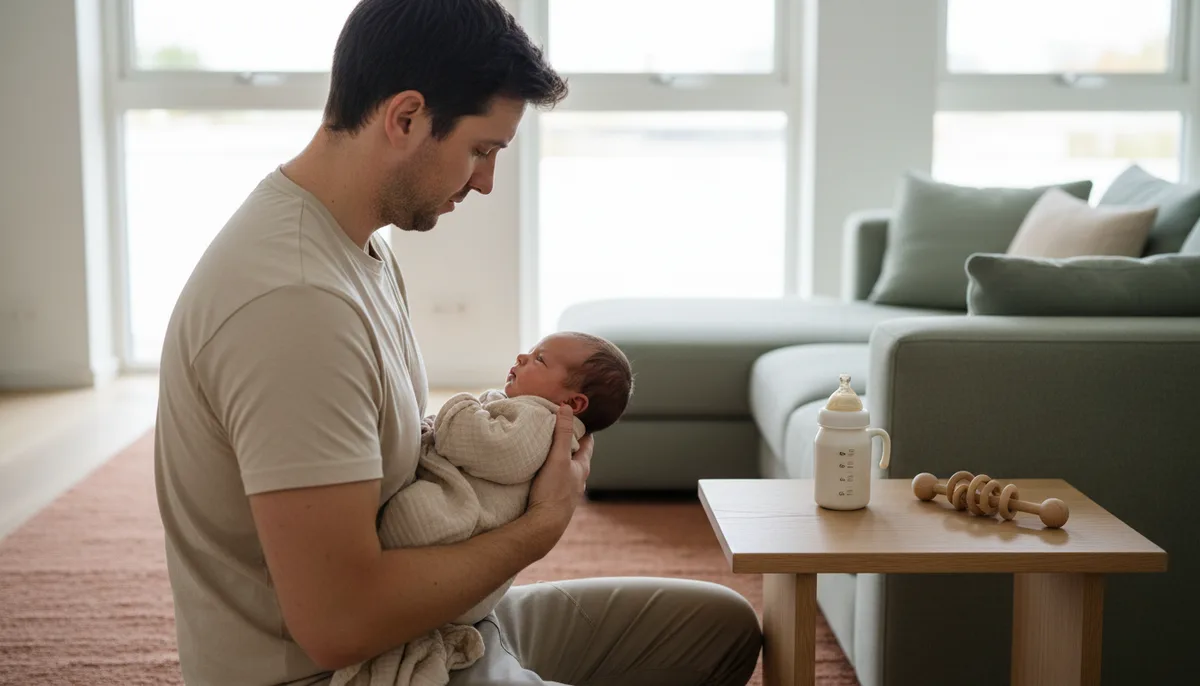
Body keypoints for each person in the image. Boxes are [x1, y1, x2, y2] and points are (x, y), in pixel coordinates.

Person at [153, 0, 762, 684]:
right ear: (406, 118)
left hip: (436, 630)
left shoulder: (360, 249)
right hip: (361, 669)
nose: (486, 182)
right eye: (481, 150)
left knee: (721, 628)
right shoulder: (294, 304)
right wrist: (541, 526)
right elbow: (337, 625)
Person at [332, 332, 633, 685]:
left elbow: (481, 445)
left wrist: (460, 404)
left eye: (540, 359)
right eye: (531, 352)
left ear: (574, 402)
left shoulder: (541, 420)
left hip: (445, 527)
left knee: (405, 511)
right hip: (459, 571)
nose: (522, 357)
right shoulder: (534, 418)